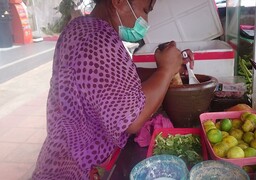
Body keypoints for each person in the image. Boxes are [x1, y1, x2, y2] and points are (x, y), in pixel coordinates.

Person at [32, 0, 194, 179]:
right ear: (118, 2)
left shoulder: (82, 28)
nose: (146, 21)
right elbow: (131, 120)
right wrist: (166, 70)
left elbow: (117, 80)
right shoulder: (98, 41)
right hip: (77, 168)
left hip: (61, 153)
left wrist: (166, 69)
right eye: (145, 10)